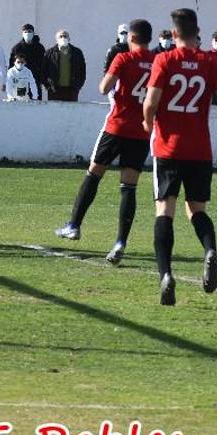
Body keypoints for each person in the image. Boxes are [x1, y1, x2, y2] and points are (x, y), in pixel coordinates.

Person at [142, 8, 217, 306]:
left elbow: (151, 102)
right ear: (198, 32)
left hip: (168, 148)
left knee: (164, 210)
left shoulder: (164, 60)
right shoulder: (212, 62)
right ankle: (209, 250)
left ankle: (166, 275)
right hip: (199, 149)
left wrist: (147, 122)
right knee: (196, 210)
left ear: (174, 33)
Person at [55, 19, 155, 265]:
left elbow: (103, 87)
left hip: (117, 126)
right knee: (129, 187)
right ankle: (120, 241)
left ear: (131, 37)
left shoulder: (123, 59)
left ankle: (74, 225)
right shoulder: (158, 61)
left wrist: (115, 84)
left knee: (94, 173)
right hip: (141, 131)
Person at [44, 30, 87, 102]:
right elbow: (44, 71)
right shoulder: (49, 53)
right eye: (60, 36)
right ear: (56, 40)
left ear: (69, 39)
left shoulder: (77, 52)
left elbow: (82, 70)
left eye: (65, 36)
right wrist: (48, 86)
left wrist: (78, 86)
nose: (63, 38)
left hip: (71, 90)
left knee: (71, 112)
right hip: (54, 91)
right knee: (54, 112)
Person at [9, 24, 47, 99]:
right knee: (22, 101)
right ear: (22, 33)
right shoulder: (17, 48)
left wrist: (43, 79)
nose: (27, 34)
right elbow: (11, 65)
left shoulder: (40, 48)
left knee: (36, 101)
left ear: (33, 33)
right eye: (25, 32)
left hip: (36, 80)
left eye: (29, 31)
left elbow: (44, 64)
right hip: (21, 81)